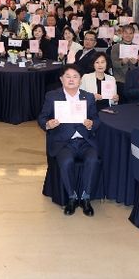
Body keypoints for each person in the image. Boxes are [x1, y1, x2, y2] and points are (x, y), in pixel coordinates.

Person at [38, 64, 101, 217]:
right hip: (63, 142)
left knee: (93, 160)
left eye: (75, 77)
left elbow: (96, 119)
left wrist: (91, 124)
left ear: (80, 80)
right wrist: (48, 124)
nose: (71, 80)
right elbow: (42, 118)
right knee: (66, 162)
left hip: (85, 141)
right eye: (68, 76)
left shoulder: (88, 97)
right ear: (61, 79)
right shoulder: (52, 96)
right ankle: (72, 197)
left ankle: (85, 197)